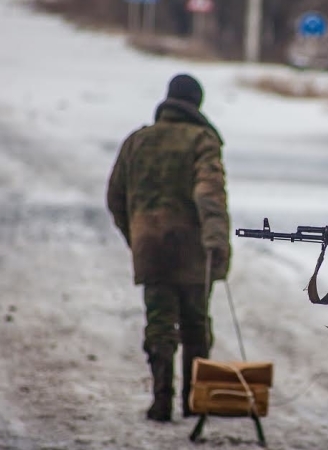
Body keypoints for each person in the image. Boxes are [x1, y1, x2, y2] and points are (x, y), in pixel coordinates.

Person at [107, 74, 230, 422]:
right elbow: (209, 193)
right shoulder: (202, 140)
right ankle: (195, 402)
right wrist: (216, 238)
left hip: (151, 247)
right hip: (192, 249)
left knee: (159, 323)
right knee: (195, 325)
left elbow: (115, 196)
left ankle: (161, 400)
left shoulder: (137, 140)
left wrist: (137, 234)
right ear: (196, 104)